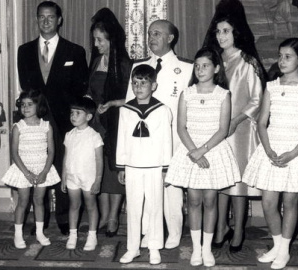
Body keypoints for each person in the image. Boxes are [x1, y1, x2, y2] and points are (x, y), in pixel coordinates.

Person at [242, 38, 298, 269]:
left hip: (297, 150)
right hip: (272, 147)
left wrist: (293, 153)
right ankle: (276, 244)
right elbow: (261, 123)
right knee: (269, 203)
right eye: (280, 56)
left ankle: (284, 251)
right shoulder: (271, 86)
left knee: (291, 202)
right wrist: (269, 150)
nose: (281, 61)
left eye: (288, 56)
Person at [17, 1, 89, 235]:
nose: (46, 21)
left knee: (63, 167)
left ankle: (65, 219)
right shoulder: (24, 51)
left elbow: (80, 87)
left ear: (59, 20)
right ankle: (41, 219)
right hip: (35, 122)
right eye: (41, 17)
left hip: (65, 120)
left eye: (50, 17)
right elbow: (26, 88)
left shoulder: (75, 51)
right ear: (36, 20)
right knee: (37, 164)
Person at [165, 47, 241, 267]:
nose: (200, 69)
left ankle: (207, 248)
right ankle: (196, 249)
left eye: (205, 65)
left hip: (213, 151)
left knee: (210, 200)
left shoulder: (223, 94)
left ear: (216, 68)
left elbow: (223, 129)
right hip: (190, 151)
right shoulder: (187, 93)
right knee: (194, 201)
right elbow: (181, 127)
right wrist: (194, 152)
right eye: (197, 66)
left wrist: (203, 150)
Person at [203, 0, 265, 253]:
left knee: (238, 183)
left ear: (236, 32)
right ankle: (220, 228)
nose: (221, 36)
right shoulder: (214, 61)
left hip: (240, 131)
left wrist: (236, 121)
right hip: (218, 130)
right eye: (218, 31)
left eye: (226, 31)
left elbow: (257, 98)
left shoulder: (247, 61)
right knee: (219, 182)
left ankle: (238, 229)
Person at [126, 19, 193, 249]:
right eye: (149, 34)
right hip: (144, 139)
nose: (151, 38)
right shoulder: (139, 66)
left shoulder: (187, 67)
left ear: (170, 38)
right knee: (146, 188)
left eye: (157, 33)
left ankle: (173, 231)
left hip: (173, 137)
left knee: (170, 185)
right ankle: (148, 231)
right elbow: (129, 104)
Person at [117, 65, 173, 265]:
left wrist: (166, 168)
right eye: (135, 83)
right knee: (133, 208)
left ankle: (154, 246)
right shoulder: (126, 110)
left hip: (154, 167)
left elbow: (167, 141)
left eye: (143, 83)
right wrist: (121, 166)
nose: (138, 87)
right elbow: (122, 139)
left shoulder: (162, 110)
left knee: (155, 207)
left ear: (154, 85)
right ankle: (132, 248)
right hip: (132, 166)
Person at [87, 8, 132, 237]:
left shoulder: (124, 63)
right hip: (96, 122)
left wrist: (113, 103)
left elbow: (134, 99)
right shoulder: (95, 62)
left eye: (100, 40)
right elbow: (89, 91)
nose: (96, 44)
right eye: (95, 39)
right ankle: (104, 216)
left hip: (116, 122)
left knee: (114, 170)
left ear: (111, 40)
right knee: (99, 169)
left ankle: (114, 216)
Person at [1, 90, 61, 249]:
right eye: (22, 105)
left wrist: (44, 172)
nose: (25, 108)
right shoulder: (18, 127)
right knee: (23, 201)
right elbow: (14, 153)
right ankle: (18, 234)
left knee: (39, 201)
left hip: (42, 168)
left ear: (38, 106)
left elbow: (51, 151)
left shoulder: (46, 126)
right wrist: (26, 173)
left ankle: (40, 233)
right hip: (23, 169)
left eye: (29, 104)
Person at [61, 96, 103, 251]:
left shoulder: (94, 136)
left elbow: (99, 160)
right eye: (72, 113)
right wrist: (64, 175)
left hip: (89, 177)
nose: (73, 116)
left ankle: (92, 236)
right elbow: (66, 156)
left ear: (89, 116)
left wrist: (98, 180)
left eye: (78, 113)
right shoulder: (69, 135)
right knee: (74, 205)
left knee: (91, 205)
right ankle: (73, 235)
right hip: (72, 176)